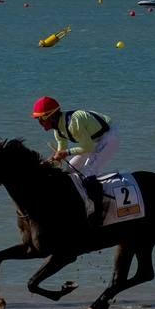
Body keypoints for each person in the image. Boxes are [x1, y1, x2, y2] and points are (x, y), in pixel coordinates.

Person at [31, 96, 119, 226]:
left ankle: (98, 213)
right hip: (92, 140)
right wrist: (51, 162)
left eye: (40, 120)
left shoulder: (73, 123)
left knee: (88, 172)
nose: (40, 123)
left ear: (51, 116)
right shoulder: (58, 131)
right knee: (69, 170)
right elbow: (62, 153)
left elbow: (87, 148)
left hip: (109, 137)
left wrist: (65, 153)